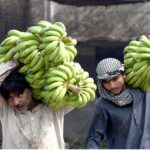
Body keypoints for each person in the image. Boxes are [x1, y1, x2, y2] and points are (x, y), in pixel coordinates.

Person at [0, 60, 73, 149]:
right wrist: (15, 62)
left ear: (30, 89)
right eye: (10, 98)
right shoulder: (6, 110)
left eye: (19, 94)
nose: (16, 102)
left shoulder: (53, 107)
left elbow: (74, 72)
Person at [85, 57, 150, 149]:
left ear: (123, 75)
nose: (112, 86)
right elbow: (94, 138)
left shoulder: (145, 93)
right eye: (106, 82)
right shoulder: (103, 104)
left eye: (115, 79)